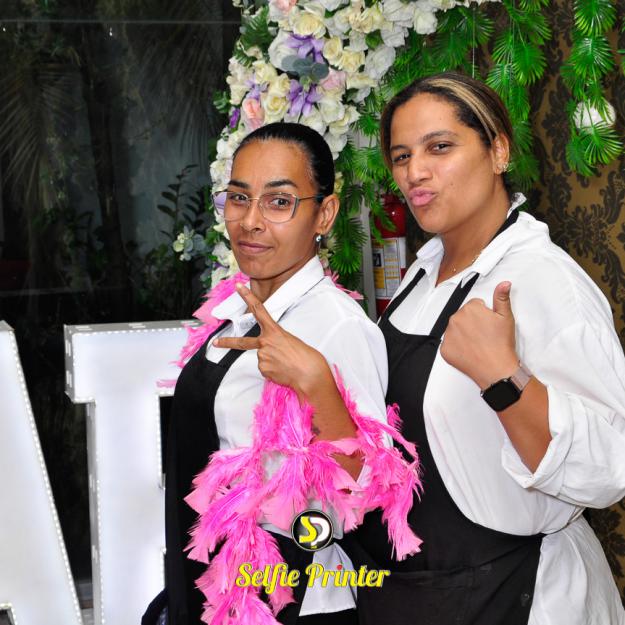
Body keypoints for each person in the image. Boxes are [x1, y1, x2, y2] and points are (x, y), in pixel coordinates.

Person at [339, 72, 625, 625]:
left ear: (498, 151)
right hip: (423, 592)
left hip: (520, 592)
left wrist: (502, 376)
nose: (415, 173)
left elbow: (610, 466)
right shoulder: (421, 276)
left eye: (439, 147)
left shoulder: (542, 279)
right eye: (401, 156)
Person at [142, 122, 420, 625]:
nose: (250, 221)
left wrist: (317, 385)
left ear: (324, 214)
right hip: (217, 584)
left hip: (287, 600)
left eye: (278, 202)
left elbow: (367, 494)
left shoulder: (335, 325)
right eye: (238, 198)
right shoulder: (238, 307)